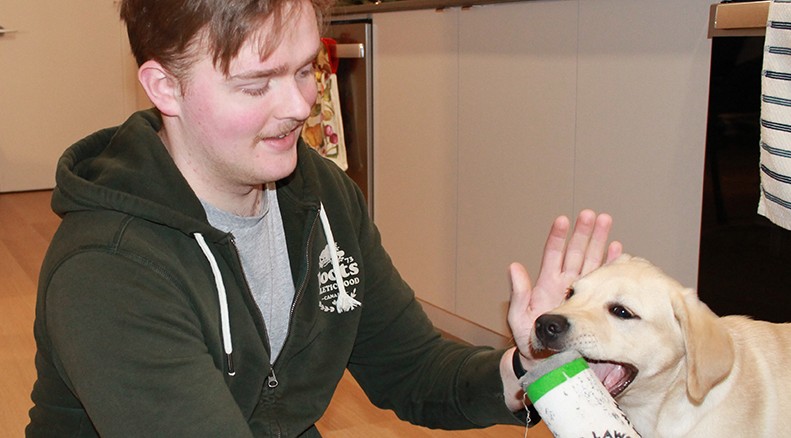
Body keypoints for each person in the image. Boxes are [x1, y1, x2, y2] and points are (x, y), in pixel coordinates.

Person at [25, 0, 622, 435]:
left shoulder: (323, 198)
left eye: (306, 68)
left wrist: (535, 368)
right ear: (165, 87)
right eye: (257, 84)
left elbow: (413, 370)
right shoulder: (109, 268)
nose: (299, 105)